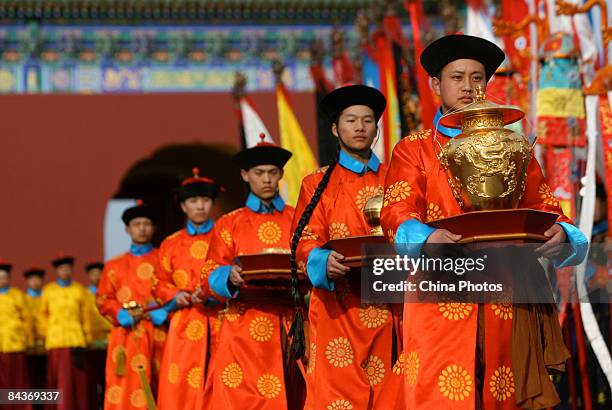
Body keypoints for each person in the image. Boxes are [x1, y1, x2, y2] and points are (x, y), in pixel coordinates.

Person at [379, 33, 588, 409]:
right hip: (438, 293)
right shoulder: (415, 149)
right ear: (435, 85)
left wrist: (565, 235)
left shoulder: (513, 146)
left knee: (500, 396)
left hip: (505, 292)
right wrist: (424, 239)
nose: (468, 87)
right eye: (457, 77)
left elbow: (546, 208)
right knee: (438, 395)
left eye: (477, 78)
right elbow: (396, 211)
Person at [291, 84, 404, 409]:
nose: (359, 127)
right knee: (337, 397)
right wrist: (320, 259)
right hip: (338, 308)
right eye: (351, 120)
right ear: (334, 129)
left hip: (390, 306)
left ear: (377, 129)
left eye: (367, 120)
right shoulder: (317, 183)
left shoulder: (397, 179)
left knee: (391, 395)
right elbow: (303, 237)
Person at [203, 136, 297, 408]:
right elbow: (210, 273)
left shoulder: (298, 217)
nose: (266, 179)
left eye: (272, 172)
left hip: (289, 323)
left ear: (280, 174)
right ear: (245, 175)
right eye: (259, 173)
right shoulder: (229, 223)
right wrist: (228, 277)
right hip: (243, 324)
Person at [153, 167, 223, 410]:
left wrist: (214, 293)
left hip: (221, 321)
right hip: (184, 324)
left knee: (221, 382)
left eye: (205, 200)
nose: (200, 206)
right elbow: (158, 283)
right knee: (181, 386)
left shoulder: (225, 235)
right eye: (193, 201)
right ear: (183, 206)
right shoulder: (170, 244)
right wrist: (177, 297)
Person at [96, 202, 169, 410]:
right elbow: (102, 299)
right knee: (125, 386)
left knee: (161, 383)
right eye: (137, 224)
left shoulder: (163, 259)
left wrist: (165, 310)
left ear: (153, 228)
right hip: (125, 336)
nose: (142, 228)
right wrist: (120, 314)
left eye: (147, 223)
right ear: (128, 229)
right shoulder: (114, 265)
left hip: (158, 332)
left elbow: (175, 289)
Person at [40, 254, 92, 410]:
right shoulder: (48, 291)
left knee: (77, 381)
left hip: (76, 340)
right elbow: (42, 316)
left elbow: (86, 316)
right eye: (62, 268)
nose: (65, 271)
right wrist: (45, 336)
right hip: (55, 340)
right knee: (56, 381)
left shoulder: (80, 290)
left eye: (68, 268)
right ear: (57, 271)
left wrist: (87, 337)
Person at [0, 260, 32, 410]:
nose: (2, 280)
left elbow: (27, 320)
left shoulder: (18, 295)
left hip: (16, 345)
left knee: (19, 382)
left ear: (9, 279)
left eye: (4, 277)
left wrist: (29, 341)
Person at [85, 261, 111, 410]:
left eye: (99, 273)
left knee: (107, 378)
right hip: (91, 344)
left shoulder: (109, 293)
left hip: (109, 342)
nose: (96, 276)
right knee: (92, 380)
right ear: (88, 276)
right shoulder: (84, 294)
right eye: (93, 273)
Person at [23, 267, 47, 396]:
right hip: (30, 349)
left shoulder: (47, 298)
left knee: (46, 382)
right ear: (27, 281)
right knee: (30, 382)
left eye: (37, 279)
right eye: (31, 279)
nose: (35, 282)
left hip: (47, 347)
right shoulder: (22, 300)